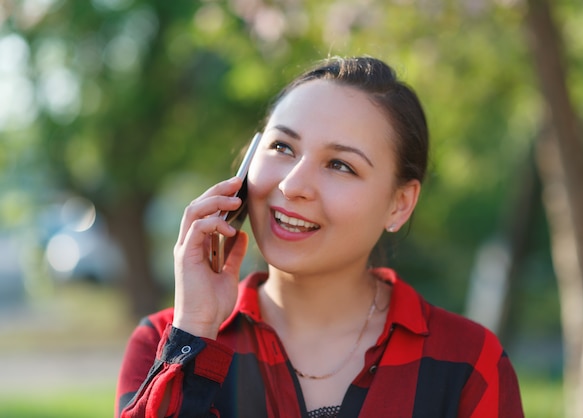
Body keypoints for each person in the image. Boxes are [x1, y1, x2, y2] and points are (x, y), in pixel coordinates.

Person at [115, 56, 524, 418]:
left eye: (341, 165)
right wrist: (196, 332)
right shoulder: (163, 344)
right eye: (282, 147)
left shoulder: (468, 364)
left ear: (399, 204)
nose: (293, 185)